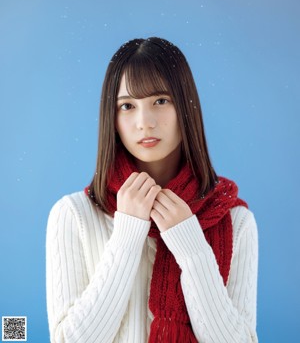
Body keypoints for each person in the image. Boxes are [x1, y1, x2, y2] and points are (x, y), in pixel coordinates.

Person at [46, 37, 258, 343]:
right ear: (113, 118)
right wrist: (128, 232)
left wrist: (191, 246)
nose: (144, 122)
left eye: (161, 100)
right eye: (128, 106)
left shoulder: (234, 221)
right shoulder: (74, 215)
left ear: (185, 107)